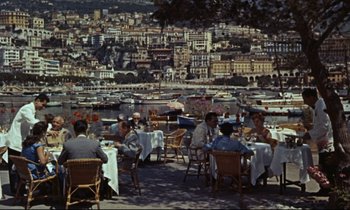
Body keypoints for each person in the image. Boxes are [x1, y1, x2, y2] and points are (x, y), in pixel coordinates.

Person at [5, 93, 49, 193]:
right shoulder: (27, 109)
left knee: (19, 167)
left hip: (20, 142)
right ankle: (15, 189)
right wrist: (48, 128)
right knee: (14, 167)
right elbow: (33, 122)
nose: (43, 107)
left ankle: (19, 189)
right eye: (43, 105)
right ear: (37, 100)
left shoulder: (32, 110)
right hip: (15, 141)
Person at [301, 88, 335, 196]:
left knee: (326, 167)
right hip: (322, 142)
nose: (305, 103)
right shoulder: (318, 106)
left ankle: (327, 189)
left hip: (326, 142)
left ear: (311, 97)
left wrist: (310, 134)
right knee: (323, 166)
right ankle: (325, 188)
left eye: (305, 99)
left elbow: (324, 126)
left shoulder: (321, 106)